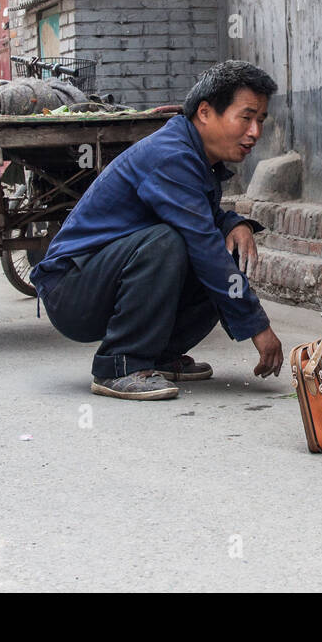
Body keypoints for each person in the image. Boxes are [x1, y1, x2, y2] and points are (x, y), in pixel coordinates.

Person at [31, 60, 285, 399]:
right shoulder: (171, 156)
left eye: (261, 120)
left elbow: (199, 217)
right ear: (206, 113)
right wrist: (259, 327)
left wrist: (234, 223)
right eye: (246, 117)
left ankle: (158, 355)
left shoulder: (196, 158)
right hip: (72, 291)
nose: (256, 132)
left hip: (100, 281)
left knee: (226, 250)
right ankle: (119, 365)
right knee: (172, 244)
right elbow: (201, 242)